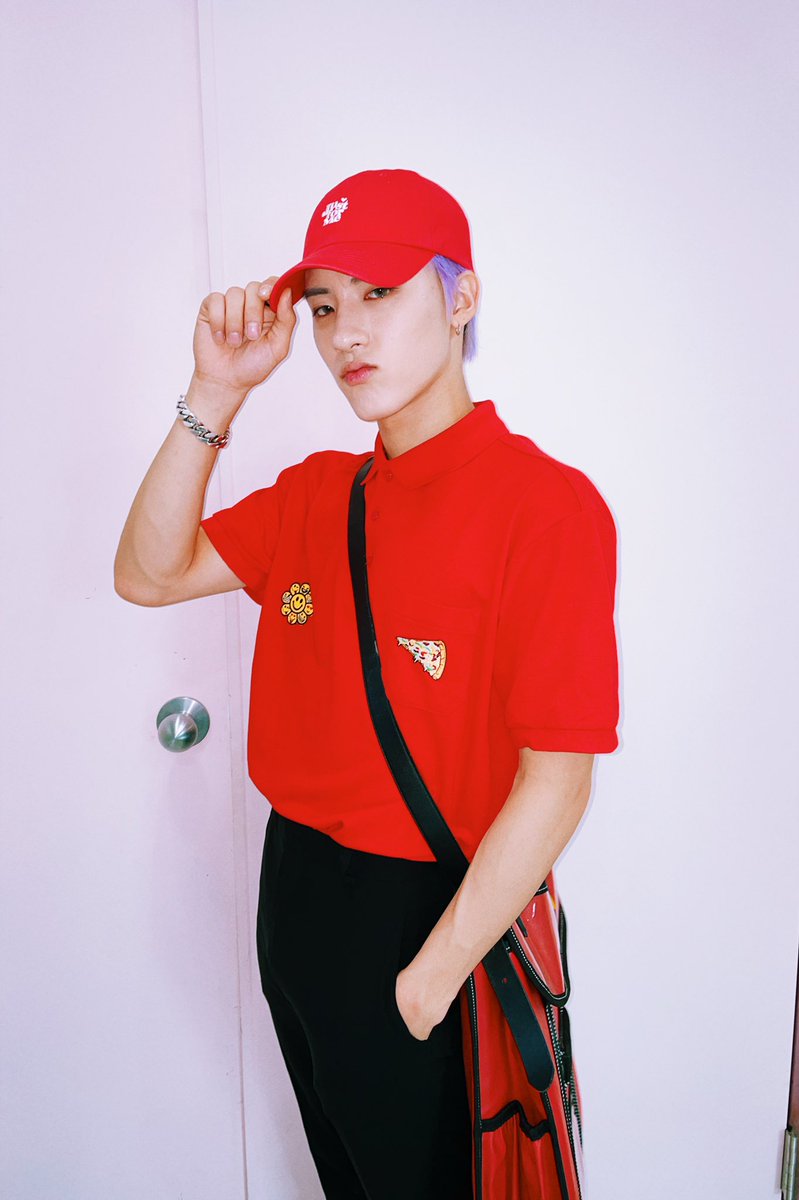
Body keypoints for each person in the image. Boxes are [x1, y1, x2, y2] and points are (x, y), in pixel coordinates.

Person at [114, 167, 620, 1200]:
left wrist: (426, 985)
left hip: (432, 918)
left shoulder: (545, 508)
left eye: (381, 293)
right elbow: (148, 573)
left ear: (461, 296)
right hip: (296, 895)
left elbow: (558, 779)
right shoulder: (317, 495)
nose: (347, 332)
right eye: (323, 305)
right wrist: (216, 392)